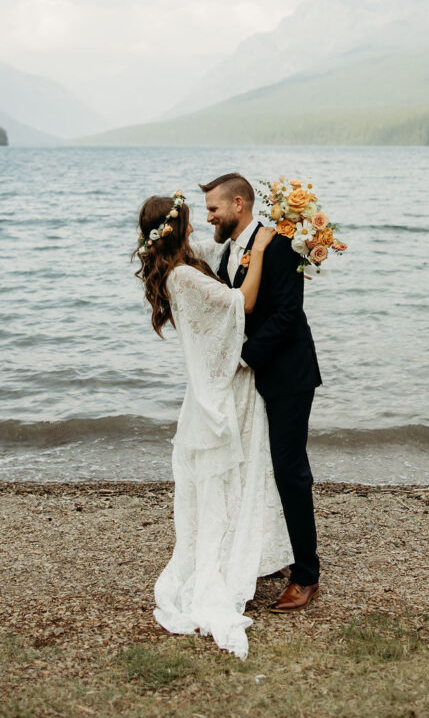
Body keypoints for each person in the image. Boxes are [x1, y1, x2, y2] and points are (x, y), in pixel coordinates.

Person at [134, 191, 293, 660]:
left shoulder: (184, 261)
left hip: (216, 389)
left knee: (234, 476)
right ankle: (224, 568)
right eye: (190, 219)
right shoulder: (183, 276)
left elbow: (223, 247)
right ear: (176, 226)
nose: (199, 225)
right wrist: (262, 250)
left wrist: (280, 228)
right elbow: (241, 302)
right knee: (229, 478)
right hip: (222, 390)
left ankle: (244, 556)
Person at [199, 172, 321, 613]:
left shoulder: (281, 245)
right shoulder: (231, 250)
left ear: (238, 204)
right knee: (258, 467)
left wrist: (243, 357)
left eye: (213, 208)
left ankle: (307, 575)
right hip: (256, 379)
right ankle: (271, 553)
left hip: (288, 375)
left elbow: (288, 314)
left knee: (290, 470)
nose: (209, 216)